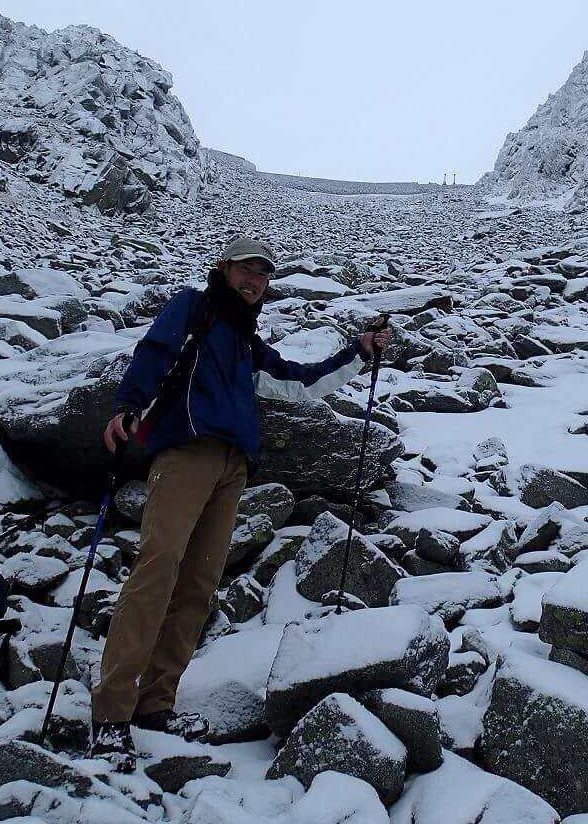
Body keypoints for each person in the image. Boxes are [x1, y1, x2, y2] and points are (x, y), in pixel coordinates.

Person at [90, 235, 393, 768]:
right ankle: (112, 713)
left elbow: (298, 384)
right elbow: (154, 352)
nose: (255, 281)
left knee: (200, 582)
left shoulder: (248, 341)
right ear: (223, 269)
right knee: (158, 568)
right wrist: (127, 405)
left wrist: (358, 353)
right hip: (185, 449)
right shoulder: (195, 309)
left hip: (234, 465)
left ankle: (157, 704)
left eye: (263, 274)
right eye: (246, 270)